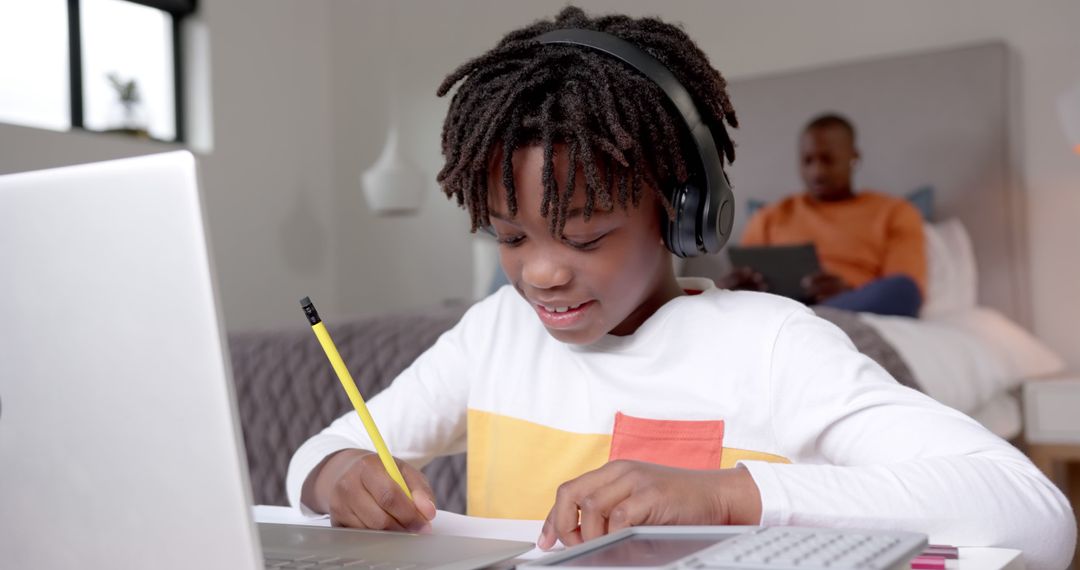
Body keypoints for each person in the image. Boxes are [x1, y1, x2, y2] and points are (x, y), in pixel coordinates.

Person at [286, 8, 1074, 568]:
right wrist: (336, 479)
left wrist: (728, 496)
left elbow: (1035, 518)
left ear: (685, 212)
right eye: (511, 237)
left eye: (586, 236)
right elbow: (323, 453)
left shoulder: (772, 344)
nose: (541, 273)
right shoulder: (493, 333)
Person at [724, 114, 926, 317]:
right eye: (807, 160)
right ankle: (808, 318)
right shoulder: (769, 217)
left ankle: (812, 318)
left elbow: (905, 289)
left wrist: (848, 291)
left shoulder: (894, 212)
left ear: (854, 157)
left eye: (827, 159)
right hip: (784, 304)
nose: (817, 171)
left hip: (852, 304)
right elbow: (745, 283)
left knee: (903, 289)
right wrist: (732, 288)